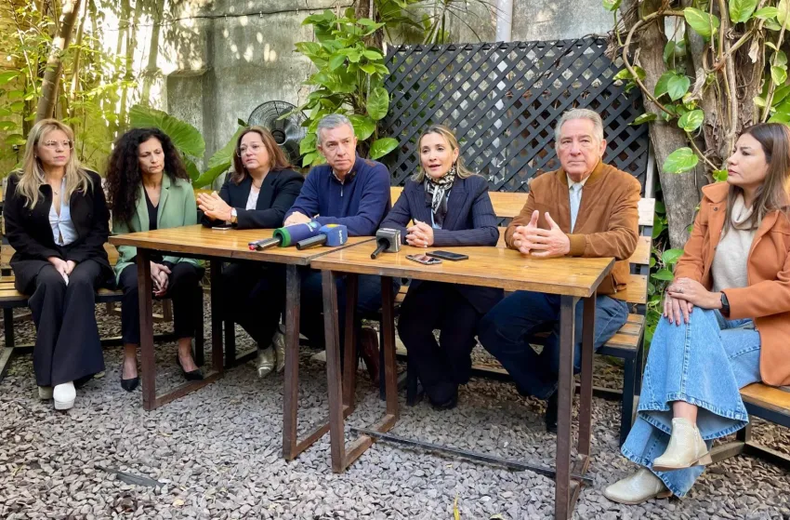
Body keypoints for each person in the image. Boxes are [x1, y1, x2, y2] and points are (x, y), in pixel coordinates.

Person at [604, 123, 790, 504]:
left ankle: (653, 471)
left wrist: (719, 300)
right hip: (715, 318)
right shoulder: (718, 199)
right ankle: (684, 435)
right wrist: (684, 289)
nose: (731, 159)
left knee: (686, 357)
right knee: (682, 320)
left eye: (745, 153)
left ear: (774, 164)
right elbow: (691, 258)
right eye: (734, 150)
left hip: (771, 333)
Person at [477, 108, 640, 432]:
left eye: (584, 141)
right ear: (557, 148)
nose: (574, 149)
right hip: (549, 289)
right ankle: (546, 386)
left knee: (561, 346)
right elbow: (515, 228)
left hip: (602, 296)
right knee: (493, 326)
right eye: (566, 141)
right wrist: (517, 237)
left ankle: (548, 387)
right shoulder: (543, 185)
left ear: (601, 146)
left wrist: (569, 244)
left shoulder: (623, 185)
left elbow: (625, 240)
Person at [379, 125, 502, 408]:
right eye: (425, 150)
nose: (432, 156)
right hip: (430, 280)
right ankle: (440, 383)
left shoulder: (474, 185)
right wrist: (412, 236)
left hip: (469, 285)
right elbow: (388, 226)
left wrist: (436, 238)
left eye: (439, 149)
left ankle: (454, 370)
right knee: (409, 327)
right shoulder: (413, 188)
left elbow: (489, 233)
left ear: (455, 154)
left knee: (454, 338)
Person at [4, 119, 111, 410]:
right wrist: (52, 258)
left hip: (85, 255)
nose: (60, 149)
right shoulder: (18, 182)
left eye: (65, 143)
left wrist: (74, 259)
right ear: (36, 149)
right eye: (51, 143)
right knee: (50, 282)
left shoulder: (87, 179)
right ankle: (72, 369)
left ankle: (57, 377)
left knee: (79, 282)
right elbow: (15, 233)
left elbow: (101, 229)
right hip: (36, 257)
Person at [283, 113, 395, 381]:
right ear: (321, 150)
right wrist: (292, 218)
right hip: (330, 267)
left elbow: (365, 224)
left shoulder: (375, 173)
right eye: (332, 145)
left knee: (340, 299)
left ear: (356, 142)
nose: (341, 150)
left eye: (346, 142)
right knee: (289, 291)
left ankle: (344, 373)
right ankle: (358, 343)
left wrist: (316, 222)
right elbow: (297, 211)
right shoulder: (318, 175)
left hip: (375, 268)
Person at [197, 126, 304, 378]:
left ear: (270, 148)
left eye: (255, 146)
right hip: (243, 258)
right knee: (222, 294)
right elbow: (209, 216)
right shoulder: (234, 182)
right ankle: (268, 339)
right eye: (243, 148)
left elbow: (279, 215)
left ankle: (264, 343)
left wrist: (231, 214)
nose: (248, 152)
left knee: (258, 297)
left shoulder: (289, 179)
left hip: (277, 260)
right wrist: (215, 214)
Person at [106, 128, 204, 391]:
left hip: (180, 255)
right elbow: (121, 237)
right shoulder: (124, 190)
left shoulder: (182, 187)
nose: (154, 159)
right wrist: (147, 265)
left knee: (186, 279)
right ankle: (129, 356)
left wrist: (167, 265)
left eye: (158, 152)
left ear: (166, 153)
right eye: (145, 155)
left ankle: (184, 351)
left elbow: (189, 235)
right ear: (133, 159)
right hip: (136, 258)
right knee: (133, 284)